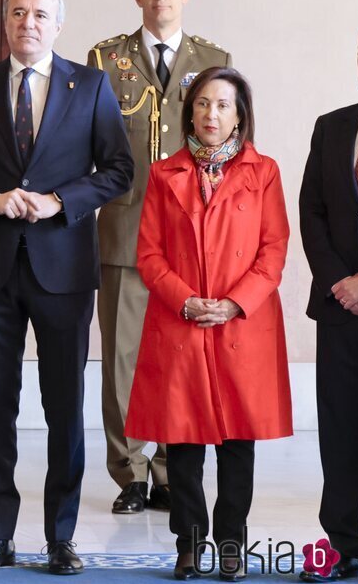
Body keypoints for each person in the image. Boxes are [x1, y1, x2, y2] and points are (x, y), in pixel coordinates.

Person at [0, 0, 133, 575]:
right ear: (5, 20)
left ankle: (60, 538)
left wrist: (61, 201)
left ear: (57, 24)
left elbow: (119, 170)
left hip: (64, 269)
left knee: (65, 408)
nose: (29, 23)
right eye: (18, 13)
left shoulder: (91, 86)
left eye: (40, 14)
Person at [124, 67, 291, 581]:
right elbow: (149, 255)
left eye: (222, 105)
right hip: (181, 322)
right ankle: (189, 544)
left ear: (240, 113)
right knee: (184, 441)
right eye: (202, 104)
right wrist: (188, 300)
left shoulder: (263, 171)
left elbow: (274, 249)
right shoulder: (163, 173)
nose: (211, 114)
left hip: (244, 324)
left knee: (239, 442)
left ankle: (233, 544)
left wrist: (234, 303)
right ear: (189, 111)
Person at [88, 0, 233, 516]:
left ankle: (175, 471)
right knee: (123, 359)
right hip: (125, 229)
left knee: (181, 358)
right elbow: (92, 146)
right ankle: (130, 473)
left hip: (192, 237)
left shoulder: (214, 60)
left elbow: (229, 145)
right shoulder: (106, 59)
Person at [297, 26, 358, 583]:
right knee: (340, 429)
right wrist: (341, 280)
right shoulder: (333, 125)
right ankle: (342, 543)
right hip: (340, 307)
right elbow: (312, 211)